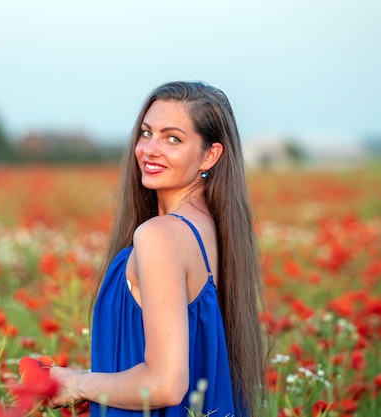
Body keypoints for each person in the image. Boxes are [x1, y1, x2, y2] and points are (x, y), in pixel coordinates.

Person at [50, 81, 265, 417]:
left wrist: (75, 384)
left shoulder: (160, 236)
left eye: (173, 138)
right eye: (147, 133)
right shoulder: (210, 229)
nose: (149, 149)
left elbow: (165, 384)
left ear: (210, 154)